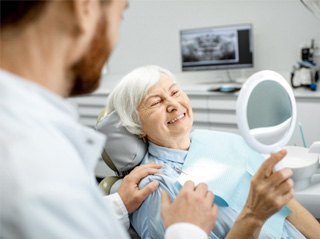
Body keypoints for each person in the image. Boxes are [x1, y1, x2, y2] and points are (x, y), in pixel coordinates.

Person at [0, 1, 217, 239]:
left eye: (175, 92)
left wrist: (119, 203)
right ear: (84, 7)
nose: (115, 37)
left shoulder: (29, 137)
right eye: (121, 14)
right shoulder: (30, 167)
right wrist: (187, 231)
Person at [105, 65, 320, 239]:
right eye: (156, 102)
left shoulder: (220, 139)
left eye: (174, 92)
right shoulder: (154, 188)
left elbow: (284, 202)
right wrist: (254, 215)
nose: (173, 104)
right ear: (137, 126)